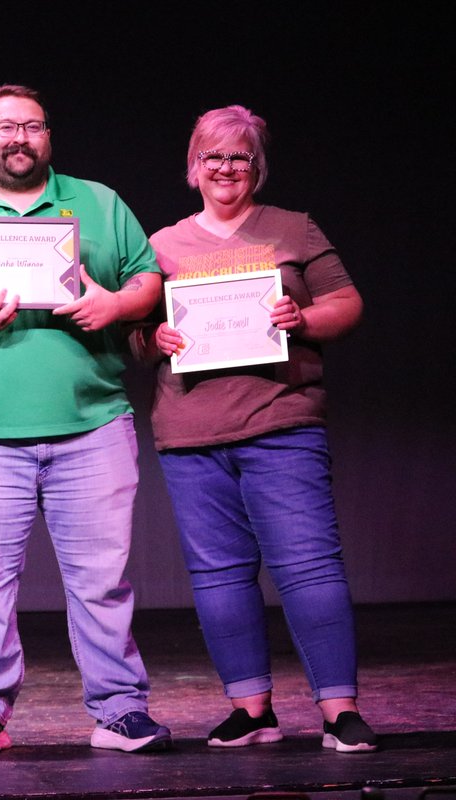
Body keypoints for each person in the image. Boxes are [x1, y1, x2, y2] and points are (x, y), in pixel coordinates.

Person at [0, 84, 171, 754]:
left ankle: (120, 711)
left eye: (33, 126)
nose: (20, 137)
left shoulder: (100, 204)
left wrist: (117, 306)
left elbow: (150, 280)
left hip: (92, 424)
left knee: (103, 581)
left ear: (49, 137)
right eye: (5, 126)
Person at [131, 105, 376, 753]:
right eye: (213, 156)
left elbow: (346, 304)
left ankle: (338, 710)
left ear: (257, 166)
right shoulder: (162, 244)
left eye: (239, 157)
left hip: (282, 421)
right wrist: (153, 335)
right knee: (218, 575)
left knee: (310, 567)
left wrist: (303, 319)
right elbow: (133, 335)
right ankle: (251, 709)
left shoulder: (293, 228)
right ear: (193, 167)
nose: (226, 168)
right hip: (190, 432)